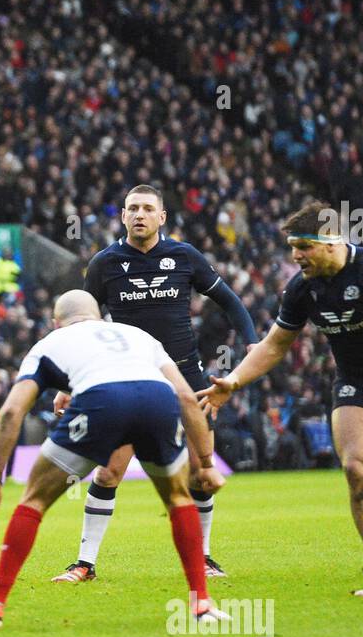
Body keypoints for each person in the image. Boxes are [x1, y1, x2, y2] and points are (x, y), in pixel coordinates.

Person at [199, 201, 363, 597]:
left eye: (302, 247)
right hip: (354, 385)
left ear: (330, 242)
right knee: (359, 469)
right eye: (292, 247)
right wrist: (234, 381)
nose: (295, 256)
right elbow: (276, 344)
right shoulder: (302, 288)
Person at [0, 291, 229, 628]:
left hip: (102, 400)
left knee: (35, 499)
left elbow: (12, 411)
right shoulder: (139, 336)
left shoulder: (50, 343)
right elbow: (187, 396)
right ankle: (202, 605)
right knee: (178, 498)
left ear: (56, 322)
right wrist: (205, 464)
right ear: (99, 316)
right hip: (157, 399)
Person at [56, 184, 257, 584]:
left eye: (148, 208)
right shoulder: (104, 263)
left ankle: (203, 557)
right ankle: (84, 562)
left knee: (202, 472)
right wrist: (68, 380)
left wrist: (253, 344)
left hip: (187, 377)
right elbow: (85, 323)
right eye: (132, 209)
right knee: (110, 470)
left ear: (162, 217)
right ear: (124, 216)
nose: (139, 215)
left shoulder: (184, 256)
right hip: (128, 377)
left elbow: (231, 302)